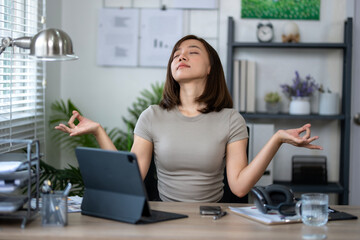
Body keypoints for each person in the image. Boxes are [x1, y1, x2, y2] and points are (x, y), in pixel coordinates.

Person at [55, 35, 322, 202]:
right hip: (165, 219)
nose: (181, 55)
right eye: (176, 53)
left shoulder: (231, 119)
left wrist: (276, 140)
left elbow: (239, 188)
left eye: (192, 51)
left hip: (214, 220)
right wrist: (99, 132)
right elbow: (130, 181)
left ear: (209, 68)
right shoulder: (151, 116)